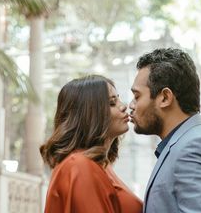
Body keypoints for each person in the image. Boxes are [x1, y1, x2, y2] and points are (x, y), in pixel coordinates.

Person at [129, 48, 201, 213]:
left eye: (137, 96)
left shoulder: (196, 147)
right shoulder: (188, 143)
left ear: (165, 97)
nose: (131, 105)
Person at [41, 75, 143, 213]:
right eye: (112, 103)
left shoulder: (98, 165)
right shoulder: (79, 165)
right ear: (90, 113)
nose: (124, 106)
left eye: (118, 99)